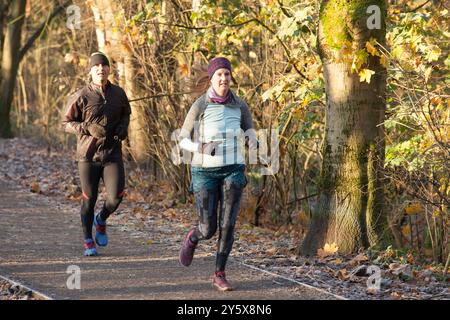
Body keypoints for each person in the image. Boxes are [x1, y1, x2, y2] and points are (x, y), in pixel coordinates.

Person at [178, 57, 258, 291]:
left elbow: (249, 128)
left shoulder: (240, 105)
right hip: (204, 171)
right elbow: (182, 138)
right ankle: (193, 237)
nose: (224, 78)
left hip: (233, 169)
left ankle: (219, 273)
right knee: (208, 228)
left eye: (227, 74)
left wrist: (252, 138)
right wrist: (199, 147)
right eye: (219, 75)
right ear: (211, 79)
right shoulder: (200, 105)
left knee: (228, 224)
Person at [62, 52, 131, 256]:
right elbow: (66, 124)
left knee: (116, 197)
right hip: (88, 156)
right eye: (97, 66)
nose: (101, 69)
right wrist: (87, 128)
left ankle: (100, 220)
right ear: (91, 71)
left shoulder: (119, 93)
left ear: (109, 69)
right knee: (89, 198)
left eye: (104, 65)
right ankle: (87, 240)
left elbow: (126, 114)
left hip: (112, 154)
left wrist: (123, 128)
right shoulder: (81, 95)